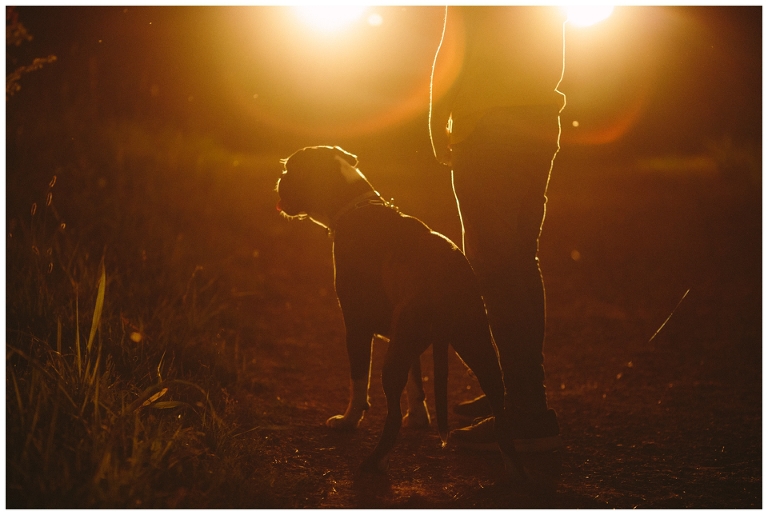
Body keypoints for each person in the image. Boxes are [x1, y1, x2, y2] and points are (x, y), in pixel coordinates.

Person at [429, 6, 566, 464]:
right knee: (521, 263)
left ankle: (527, 415)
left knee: (497, 269)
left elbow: (456, 45)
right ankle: (517, 394)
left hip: (488, 123)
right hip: (540, 116)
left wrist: (437, 117)